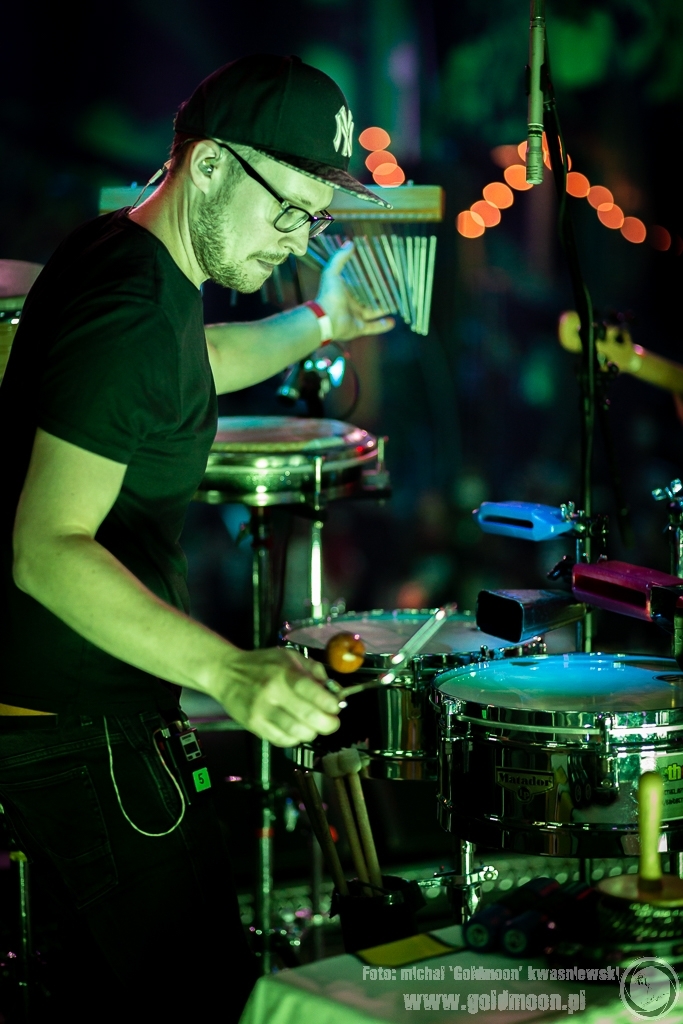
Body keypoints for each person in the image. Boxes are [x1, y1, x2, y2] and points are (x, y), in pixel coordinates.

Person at [0, 54, 393, 1021]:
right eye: (287, 210)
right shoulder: (130, 307)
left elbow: (199, 359)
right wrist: (230, 673)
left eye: (313, 221)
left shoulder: (130, 258)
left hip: (75, 717)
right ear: (209, 165)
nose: (295, 240)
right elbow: (46, 547)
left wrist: (321, 319)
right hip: (76, 732)